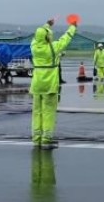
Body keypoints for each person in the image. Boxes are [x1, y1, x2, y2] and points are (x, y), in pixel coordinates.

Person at [30, 16, 77, 149]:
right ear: (47, 38)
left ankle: (36, 138)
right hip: (49, 84)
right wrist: (73, 26)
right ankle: (46, 139)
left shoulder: (33, 46)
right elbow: (65, 39)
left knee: (36, 112)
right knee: (48, 112)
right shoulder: (52, 48)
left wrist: (47, 25)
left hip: (36, 83)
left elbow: (38, 36)